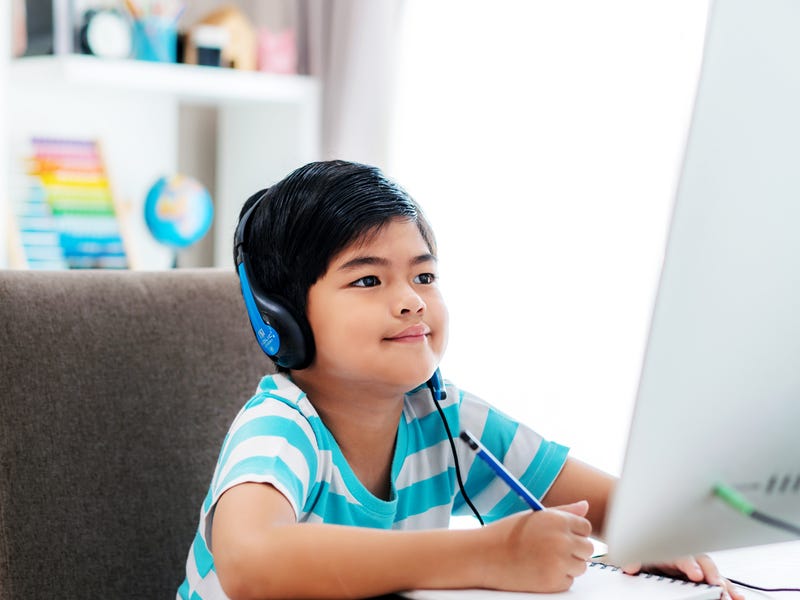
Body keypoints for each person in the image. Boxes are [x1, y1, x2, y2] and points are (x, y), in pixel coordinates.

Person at [178, 160, 742, 600]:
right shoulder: (280, 428)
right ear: (283, 319)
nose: (410, 301)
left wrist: (651, 536)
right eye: (369, 280)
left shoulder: (443, 416)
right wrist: (485, 555)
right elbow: (249, 562)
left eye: (424, 275)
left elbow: (609, 505)